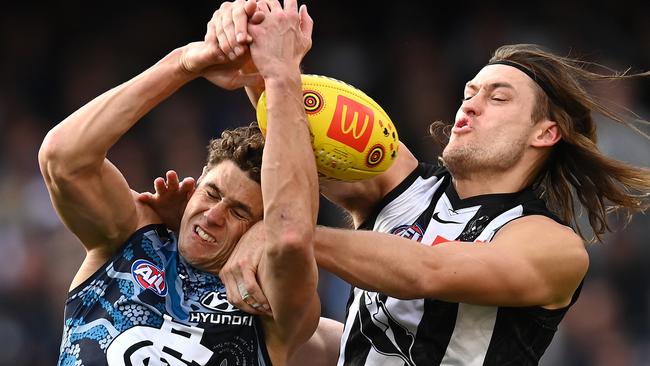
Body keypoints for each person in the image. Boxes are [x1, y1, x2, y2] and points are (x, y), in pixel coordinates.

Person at [141, 3, 650, 365]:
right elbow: (294, 126)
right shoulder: (402, 184)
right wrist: (253, 58)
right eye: (469, 92)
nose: (469, 104)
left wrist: (278, 235)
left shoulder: (551, 244)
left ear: (546, 132)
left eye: (498, 98)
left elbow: (426, 270)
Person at [38, 1, 326, 365]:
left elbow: (292, 235)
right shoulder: (132, 239)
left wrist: (281, 74)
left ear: (264, 224)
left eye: (239, 212)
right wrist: (185, 63)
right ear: (197, 181)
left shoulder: (265, 300)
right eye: (212, 193)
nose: (213, 215)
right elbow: (62, 159)